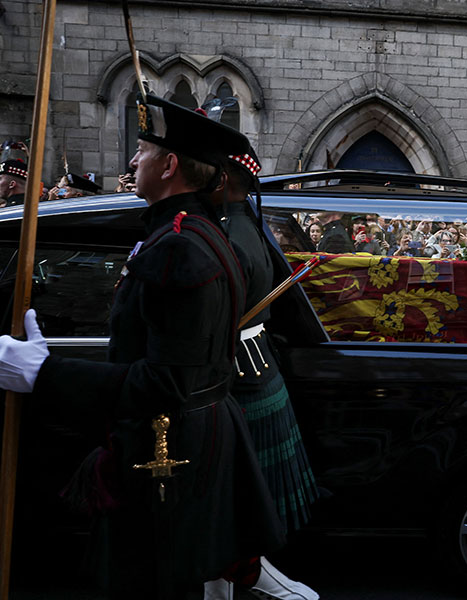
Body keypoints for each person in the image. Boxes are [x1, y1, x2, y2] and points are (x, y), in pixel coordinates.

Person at [0, 94, 285, 599]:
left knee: (153, 582)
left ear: (170, 165)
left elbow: (168, 381)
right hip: (186, 437)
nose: (132, 162)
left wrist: (44, 372)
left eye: (142, 152)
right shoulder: (191, 234)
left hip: (170, 449)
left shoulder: (179, 247)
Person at [204, 141, 319, 600]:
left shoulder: (224, 228)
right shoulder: (245, 220)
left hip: (236, 373)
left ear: (224, 178)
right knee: (234, 494)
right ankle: (235, 576)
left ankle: (235, 578)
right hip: (256, 365)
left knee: (227, 495)